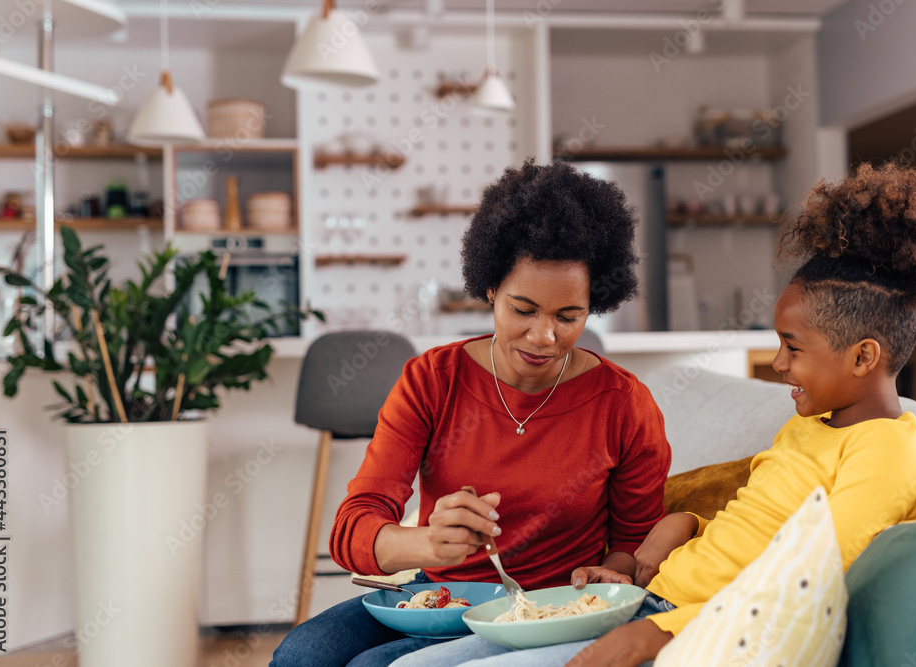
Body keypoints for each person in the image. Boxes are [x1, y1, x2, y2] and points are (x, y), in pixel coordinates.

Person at [389, 162, 916, 667]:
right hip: (639, 599)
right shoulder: (810, 430)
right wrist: (671, 539)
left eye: (792, 348)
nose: (776, 363)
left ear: (863, 356)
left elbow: (809, 582)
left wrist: (656, 631)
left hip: (676, 624)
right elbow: (757, 527)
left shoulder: (890, 455)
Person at [269, 160, 672, 667]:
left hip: (548, 610)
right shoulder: (432, 380)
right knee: (300, 656)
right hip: (441, 596)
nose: (544, 337)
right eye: (522, 309)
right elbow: (353, 530)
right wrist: (430, 545)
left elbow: (634, 542)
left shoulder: (623, 403)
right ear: (489, 290)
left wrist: (611, 573)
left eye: (568, 317)